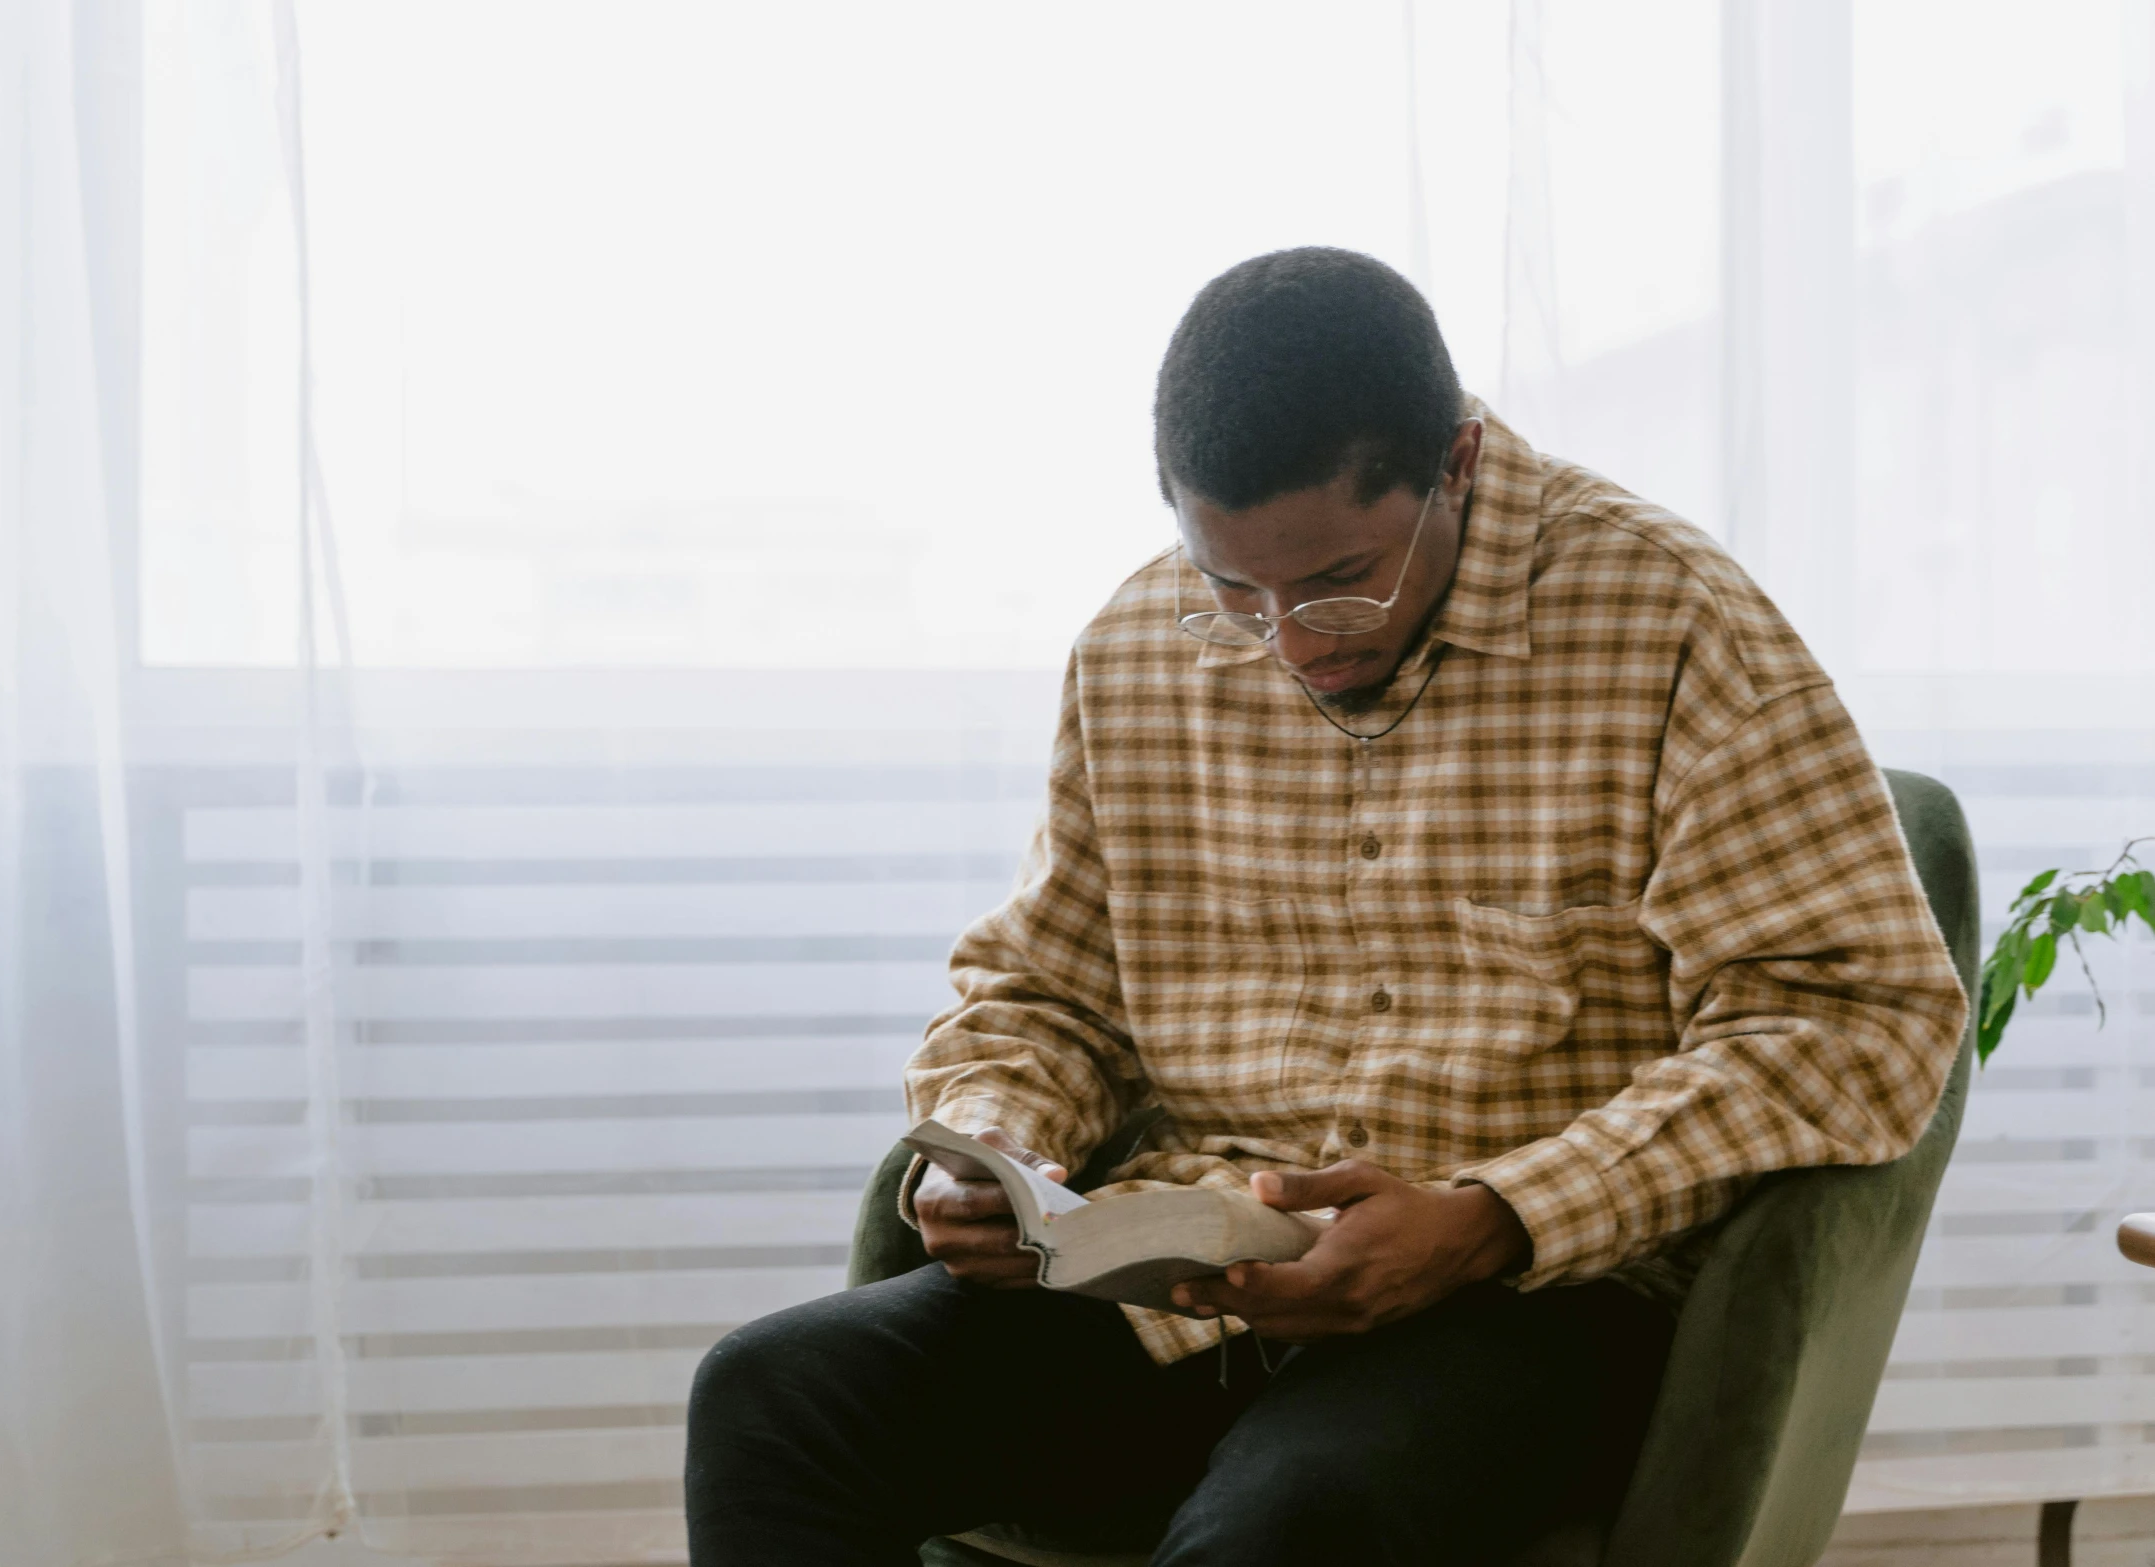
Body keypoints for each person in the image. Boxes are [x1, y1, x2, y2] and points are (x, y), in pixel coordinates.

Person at [683, 247, 1967, 1565]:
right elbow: (1046, 994)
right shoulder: (1135, 646)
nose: (1292, 643)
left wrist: (1491, 1215)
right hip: (1186, 1280)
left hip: (1528, 1299)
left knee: (1287, 1525)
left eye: (1341, 581)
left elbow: (1857, 1018)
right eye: (1237, 594)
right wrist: (999, 1148)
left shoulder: (1673, 617)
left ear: (1455, 463)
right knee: (769, 1399)